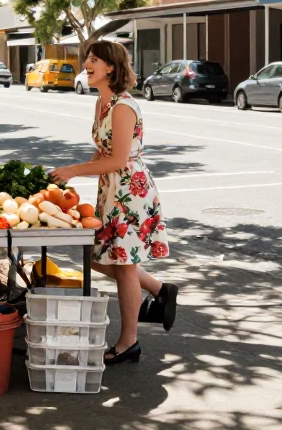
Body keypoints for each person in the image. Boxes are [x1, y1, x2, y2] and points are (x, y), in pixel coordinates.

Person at [50, 40, 176, 365]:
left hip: (130, 192)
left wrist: (74, 170)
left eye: (94, 60)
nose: (87, 64)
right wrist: (72, 182)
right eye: (88, 59)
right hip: (111, 190)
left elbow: (119, 159)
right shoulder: (101, 103)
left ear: (111, 67)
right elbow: (102, 151)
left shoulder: (123, 107)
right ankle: (159, 289)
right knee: (98, 258)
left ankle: (128, 342)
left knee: (123, 265)